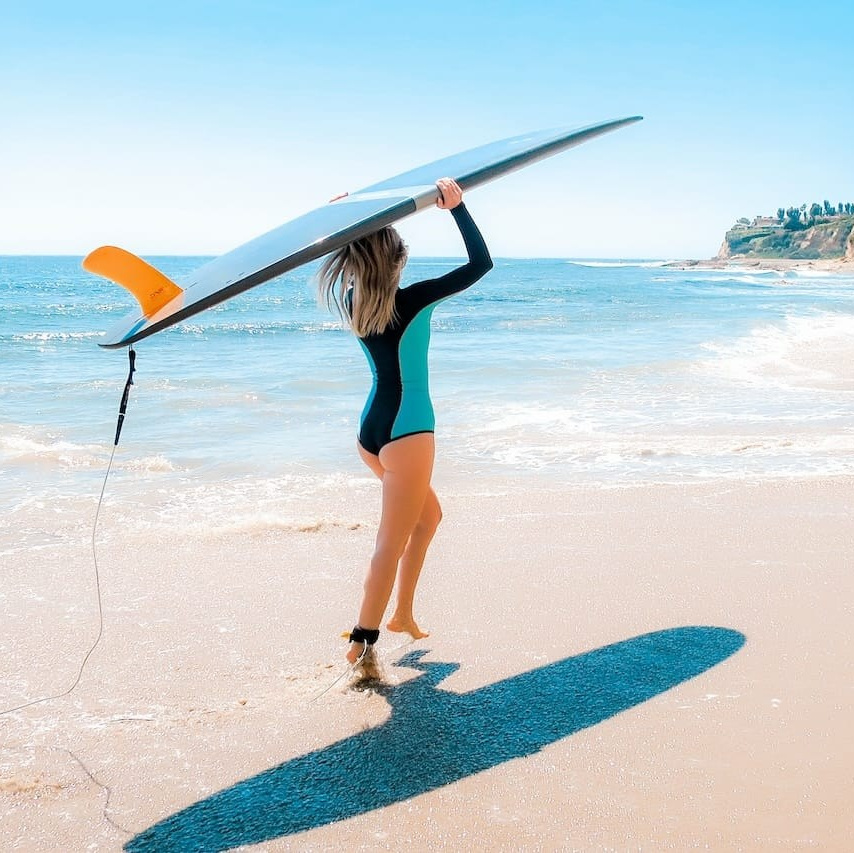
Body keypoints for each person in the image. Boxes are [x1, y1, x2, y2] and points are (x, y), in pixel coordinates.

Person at [318, 177, 492, 674]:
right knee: (387, 548)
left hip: (371, 433)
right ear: (398, 263)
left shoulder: (354, 302)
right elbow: (480, 265)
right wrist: (457, 209)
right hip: (409, 433)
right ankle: (361, 642)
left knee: (429, 517)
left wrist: (349, 215)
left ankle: (403, 615)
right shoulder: (413, 300)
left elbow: (358, 252)